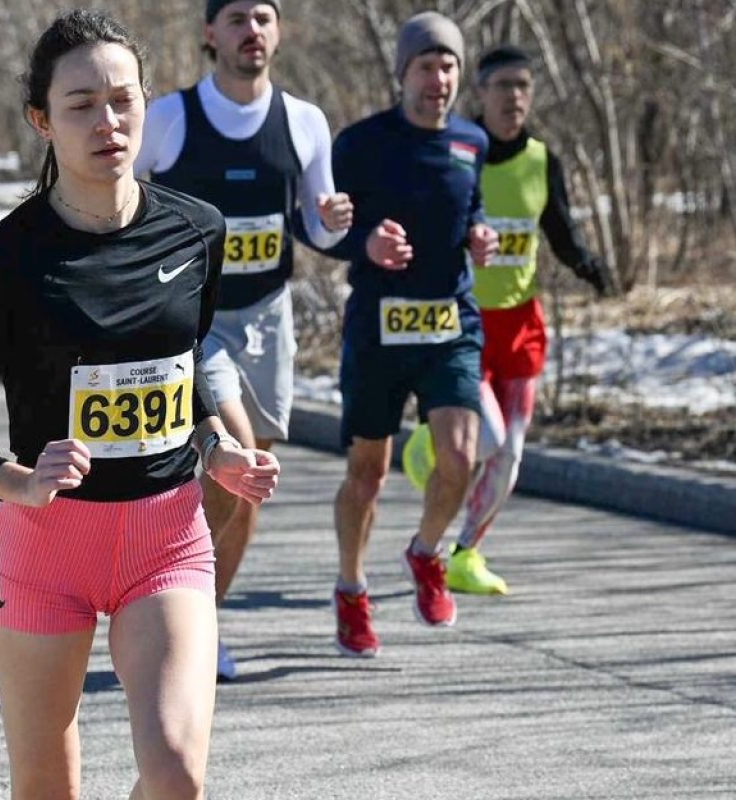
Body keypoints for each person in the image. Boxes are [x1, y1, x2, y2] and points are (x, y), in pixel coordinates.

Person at [0, 10, 280, 799]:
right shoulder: (6, 262)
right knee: (47, 787)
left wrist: (216, 448)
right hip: (48, 550)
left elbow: (176, 381)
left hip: (166, 539)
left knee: (178, 776)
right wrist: (17, 481)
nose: (107, 121)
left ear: (147, 105)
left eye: (122, 100)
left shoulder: (195, 232)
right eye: (81, 104)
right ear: (42, 121)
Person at [134, 0, 352, 681]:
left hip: (269, 317)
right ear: (210, 33)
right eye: (235, 18)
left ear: (277, 31)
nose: (250, 30)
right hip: (195, 320)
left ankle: (199, 621)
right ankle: (164, 612)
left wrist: (337, 224)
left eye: (263, 16)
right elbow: (115, 198)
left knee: (247, 483)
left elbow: (321, 230)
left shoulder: (304, 121)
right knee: (238, 452)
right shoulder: (171, 119)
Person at [324, 11, 498, 656]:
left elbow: (470, 206)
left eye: (449, 65)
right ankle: (351, 589)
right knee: (368, 473)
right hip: (378, 326)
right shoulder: (362, 143)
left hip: (450, 321)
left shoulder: (471, 143)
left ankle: (427, 551)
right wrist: (363, 240)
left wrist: (479, 234)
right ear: (403, 73)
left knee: (461, 453)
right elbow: (325, 225)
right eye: (426, 65)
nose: (439, 78)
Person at [447, 45, 614, 595]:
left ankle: (465, 552)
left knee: (512, 453)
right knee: (485, 440)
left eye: (523, 85)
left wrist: (589, 265)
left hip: (521, 324)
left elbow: (559, 228)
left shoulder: (543, 160)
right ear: (481, 92)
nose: (514, 96)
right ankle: (432, 447)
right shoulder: (458, 150)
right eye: (503, 86)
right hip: (463, 321)